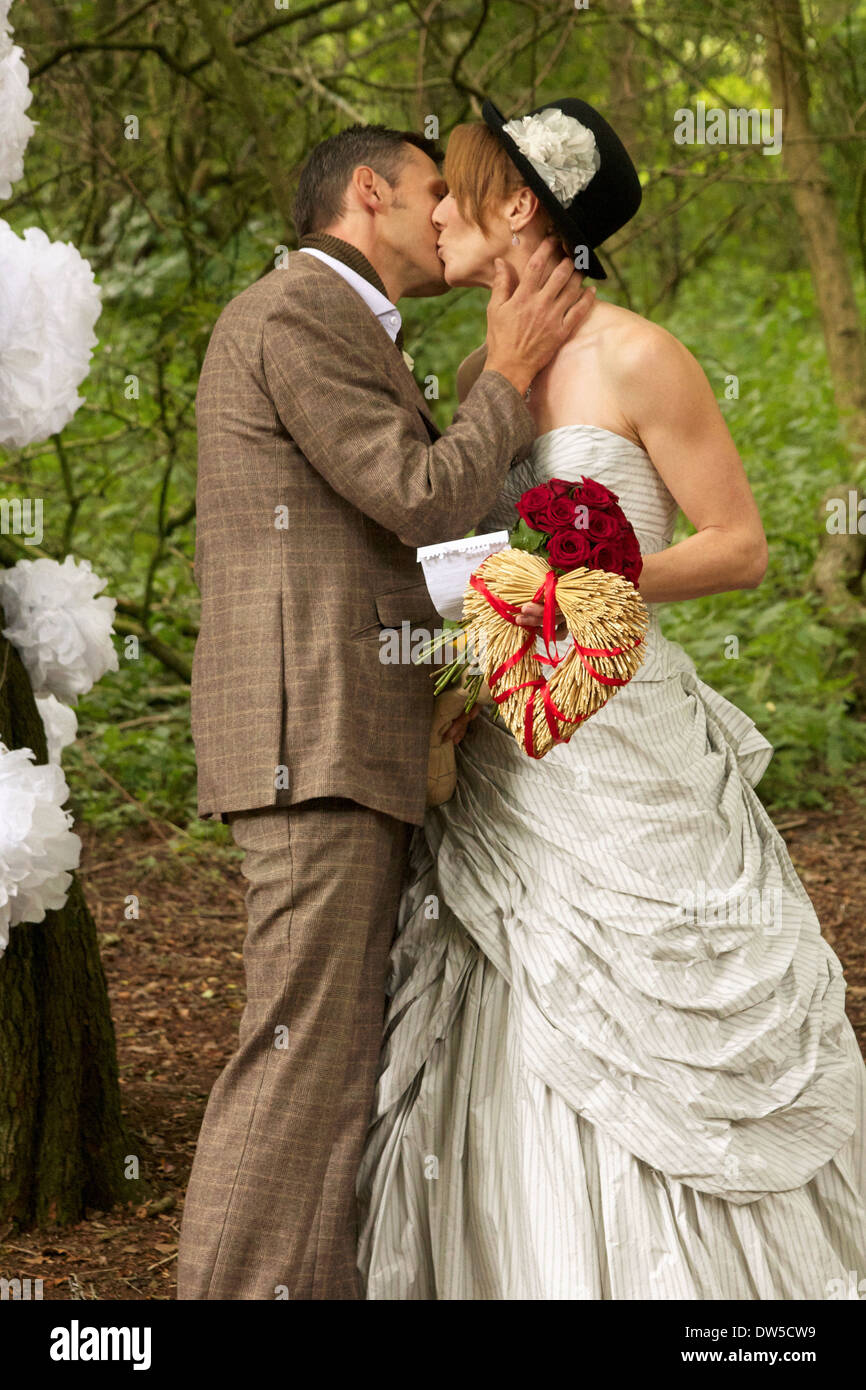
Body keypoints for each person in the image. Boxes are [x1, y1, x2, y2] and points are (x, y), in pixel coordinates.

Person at [356, 98, 866, 1299]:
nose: (434, 206)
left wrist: (589, 579)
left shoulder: (638, 354)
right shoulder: (485, 368)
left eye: (455, 186)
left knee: (655, 1008)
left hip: (621, 739)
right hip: (503, 744)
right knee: (508, 998)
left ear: (519, 205)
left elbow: (738, 545)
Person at [176, 122, 595, 1300]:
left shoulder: (344, 323)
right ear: (369, 192)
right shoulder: (296, 312)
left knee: (333, 1056)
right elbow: (417, 499)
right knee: (299, 1057)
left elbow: (427, 545)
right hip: (308, 739)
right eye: (428, 191)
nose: (446, 210)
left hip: (343, 736)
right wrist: (508, 372)